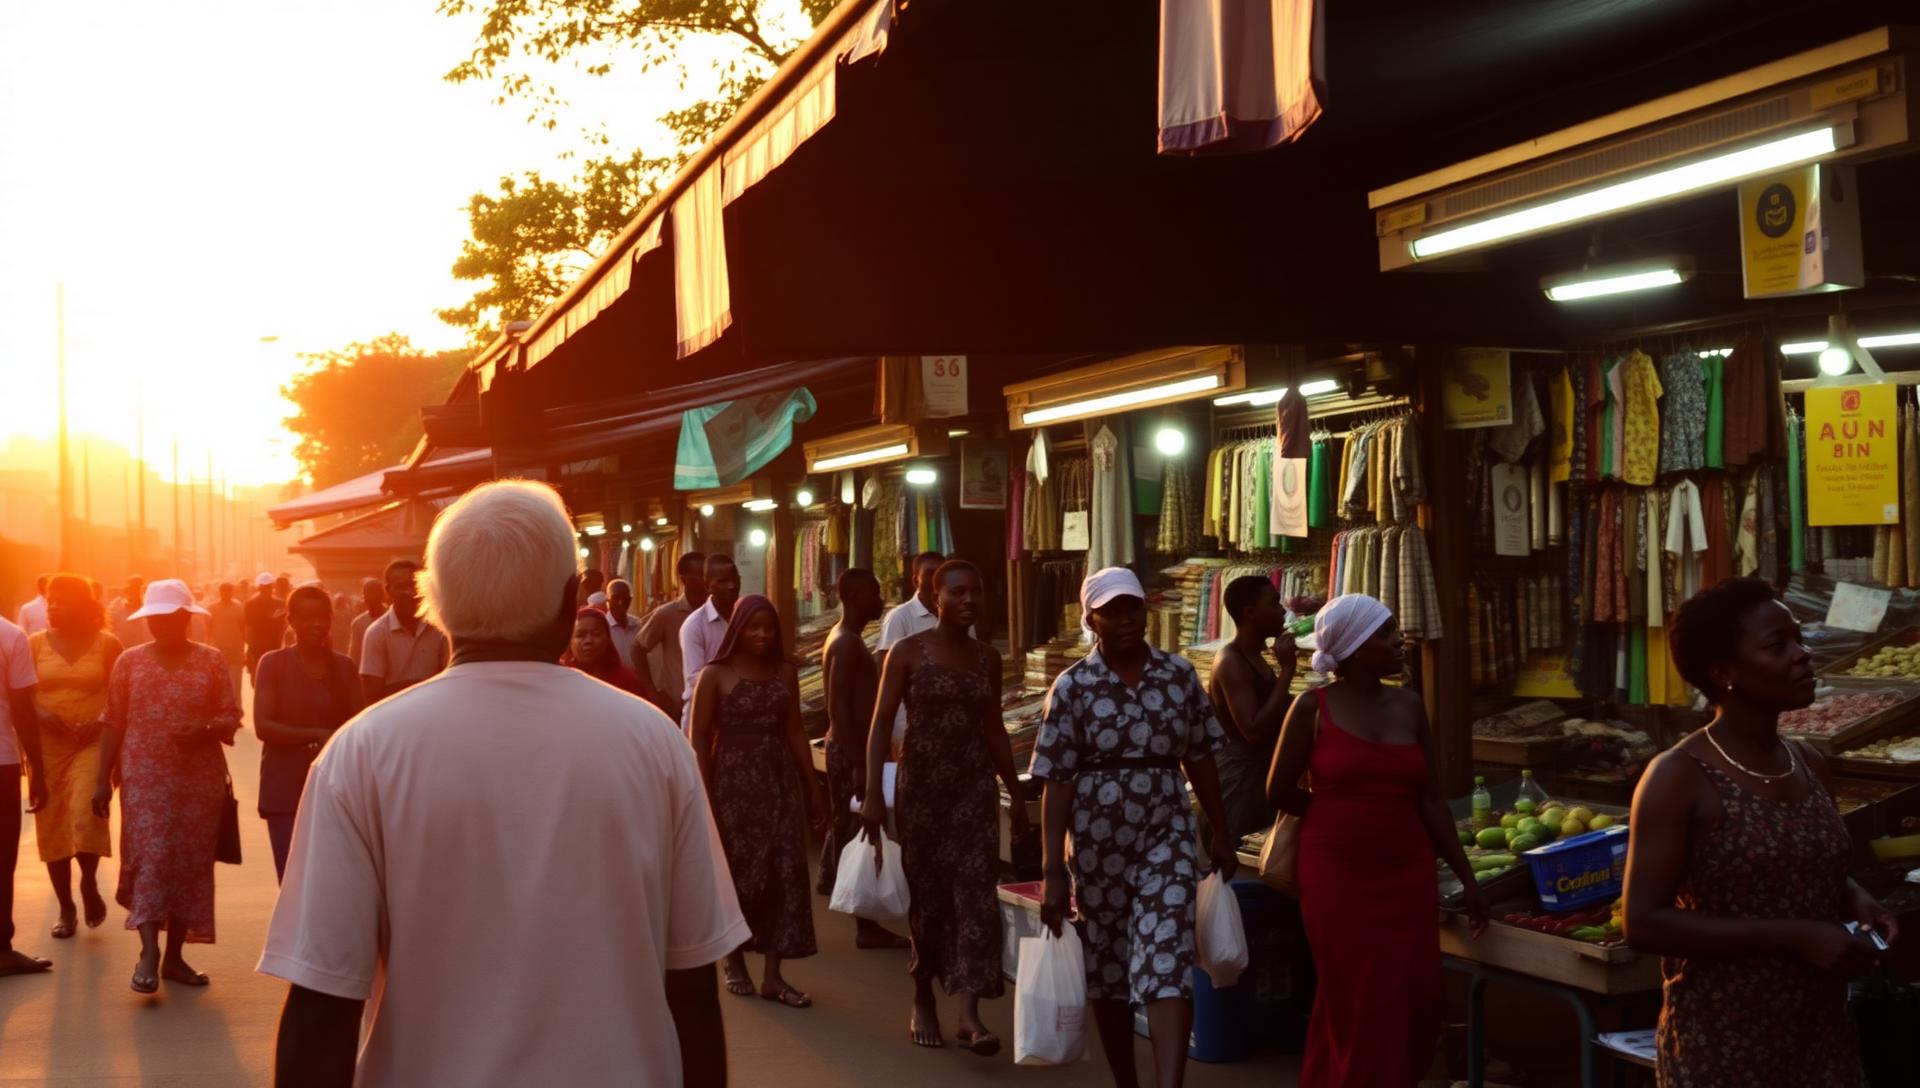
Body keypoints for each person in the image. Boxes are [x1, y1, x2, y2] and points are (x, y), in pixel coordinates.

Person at [260, 480, 745, 1087]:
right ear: (572, 602)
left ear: (435, 602)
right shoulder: (654, 744)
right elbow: (693, 989)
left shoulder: (361, 754)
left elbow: (321, 1007)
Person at [1624, 578, 1892, 1086]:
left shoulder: (1808, 759)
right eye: (1777, 645)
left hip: (1821, 1037)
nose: (1803, 655)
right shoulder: (1678, 776)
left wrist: (1855, 898)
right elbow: (1642, 924)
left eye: (1799, 638)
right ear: (1723, 672)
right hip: (1725, 1045)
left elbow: (1804, 863)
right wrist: (1792, 936)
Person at [1264, 593, 1488, 1086]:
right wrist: (1335, 813)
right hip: (1336, 874)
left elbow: (1430, 799)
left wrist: (1467, 880)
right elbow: (1277, 789)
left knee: (1417, 994)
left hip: (1406, 868)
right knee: (1361, 995)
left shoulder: (1409, 705)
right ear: (1354, 645)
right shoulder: (1310, 707)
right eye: (1386, 633)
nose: (1398, 640)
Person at [1031, 567, 1236, 1087]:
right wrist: (1052, 868)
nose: (1125, 619)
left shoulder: (1178, 675)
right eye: (1112, 610)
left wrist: (1220, 828)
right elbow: (1056, 781)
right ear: (1091, 619)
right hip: (1098, 846)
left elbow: (1201, 756)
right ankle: (1128, 1081)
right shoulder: (1073, 685)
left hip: (1166, 831)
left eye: (1133, 608)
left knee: (1167, 953)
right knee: (1110, 969)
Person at [863, 560, 1028, 1055]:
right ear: (936, 598)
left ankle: (970, 1013)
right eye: (957, 592)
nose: (968, 601)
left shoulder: (987, 658)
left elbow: (994, 727)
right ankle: (922, 995)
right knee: (929, 900)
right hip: (922, 792)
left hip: (972, 790)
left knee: (976, 897)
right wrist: (874, 792)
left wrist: (1016, 794)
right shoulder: (908, 652)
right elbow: (879, 724)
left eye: (976, 592)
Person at [91, 578, 241, 994]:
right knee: (153, 855)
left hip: (199, 779)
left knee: (190, 863)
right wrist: (102, 779)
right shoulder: (129, 662)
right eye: (155, 618)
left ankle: (174, 956)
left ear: (187, 617)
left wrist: (205, 727)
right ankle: (148, 951)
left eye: (171, 617)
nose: (161, 625)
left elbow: (230, 716)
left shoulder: (211, 661)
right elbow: (112, 720)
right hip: (144, 775)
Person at [689, 594, 824, 1009]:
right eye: (754, 627)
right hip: (732, 786)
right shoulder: (715, 674)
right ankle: (733, 960)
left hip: (778, 782)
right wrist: (704, 795)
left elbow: (796, 731)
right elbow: (697, 737)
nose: (762, 634)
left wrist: (813, 787)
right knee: (738, 875)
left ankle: (773, 975)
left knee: (784, 873)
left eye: (768, 627)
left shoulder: (786, 672)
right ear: (739, 630)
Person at [816, 568, 907, 950]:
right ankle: (865, 922)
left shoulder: (847, 639)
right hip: (849, 749)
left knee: (851, 827)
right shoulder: (847, 643)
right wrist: (858, 762)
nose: (880, 598)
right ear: (853, 597)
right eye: (873, 593)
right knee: (860, 829)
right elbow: (836, 705)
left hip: (851, 747)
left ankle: (859, 913)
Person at [29, 574, 122, 939]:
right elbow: (20, 694)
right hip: (47, 747)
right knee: (52, 822)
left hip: (91, 742)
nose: (52, 606)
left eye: (62, 600)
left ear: (83, 605)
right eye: (50, 599)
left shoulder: (107, 644)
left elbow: (118, 696)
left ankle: (88, 881)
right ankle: (66, 906)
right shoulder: (34, 644)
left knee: (86, 809)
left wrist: (100, 722)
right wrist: (41, 713)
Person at [253, 586, 361, 883]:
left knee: (332, 883)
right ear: (291, 621)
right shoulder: (273, 664)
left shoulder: (345, 668)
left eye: (323, 617)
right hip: (284, 789)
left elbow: (357, 727)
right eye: (307, 618)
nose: (317, 624)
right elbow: (263, 725)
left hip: (335, 789)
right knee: (291, 881)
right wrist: (316, 734)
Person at [1207, 575, 1297, 843]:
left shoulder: (1255, 657)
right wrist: (1288, 671)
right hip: (1240, 782)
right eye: (1274, 603)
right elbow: (1253, 730)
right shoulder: (1231, 661)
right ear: (1250, 613)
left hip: (1260, 777)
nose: (1282, 611)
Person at [876, 551, 974, 754]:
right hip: (908, 731)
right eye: (929, 573)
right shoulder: (900, 617)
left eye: (940, 572)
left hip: (959, 737)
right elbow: (884, 676)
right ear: (915, 580)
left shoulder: (963, 617)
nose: (935, 578)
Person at [1, 612, 51, 978]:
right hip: (1, 762)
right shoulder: (10, 636)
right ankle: (1, 949)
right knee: (2, 858)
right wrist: (37, 769)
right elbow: (22, 709)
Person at [357, 559, 449, 703]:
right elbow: (371, 694)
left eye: (414, 585)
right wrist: (419, 687)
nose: (409, 592)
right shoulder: (376, 633)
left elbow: (450, 678)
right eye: (401, 587)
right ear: (388, 592)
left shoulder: (440, 627)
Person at [635, 552, 707, 722]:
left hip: (713, 704)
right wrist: (653, 691)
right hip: (679, 706)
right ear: (684, 579)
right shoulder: (667, 614)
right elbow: (637, 648)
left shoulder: (717, 612)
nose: (706, 579)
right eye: (701, 574)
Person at [677, 553, 741, 734]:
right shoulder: (694, 625)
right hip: (704, 719)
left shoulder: (744, 617)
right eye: (722, 581)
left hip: (738, 720)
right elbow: (695, 678)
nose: (732, 586)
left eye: (735, 580)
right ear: (707, 586)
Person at [563, 606, 647, 696]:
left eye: (596, 634)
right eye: (580, 635)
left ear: (608, 639)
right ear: (570, 642)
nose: (588, 641)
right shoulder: (561, 680)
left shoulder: (627, 682)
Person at [207, 582, 248, 698]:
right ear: (219, 592)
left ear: (232, 592)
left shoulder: (238, 607)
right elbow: (208, 630)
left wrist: (244, 650)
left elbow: (243, 629)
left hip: (235, 652)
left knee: (236, 686)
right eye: (223, 591)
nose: (226, 593)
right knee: (219, 686)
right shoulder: (212, 608)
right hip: (218, 652)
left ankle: (237, 711)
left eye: (228, 591)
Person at [245, 572, 285, 681]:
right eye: (265, 588)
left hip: (272, 647)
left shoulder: (279, 604)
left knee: (270, 679)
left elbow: (283, 628)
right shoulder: (251, 605)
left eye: (268, 588)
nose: (266, 591)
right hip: (260, 648)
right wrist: (250, 650)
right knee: (261, 679)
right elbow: (249, 628)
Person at [345, 577, 387, 665]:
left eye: (374, 592)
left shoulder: (393, 618)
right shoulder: (358, 623)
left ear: (382, 595)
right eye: (368, 593)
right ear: (364, 597)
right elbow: (354, 655)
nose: (371, 597)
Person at [604, 579, 640, 668]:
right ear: (607, 600)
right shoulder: (602, 626)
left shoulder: (638, 625)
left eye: (625, 598)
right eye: (616, 598)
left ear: (630, 600)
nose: (620, 602)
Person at [108, 577, 149, 649]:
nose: (134, 593)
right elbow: (110, 629)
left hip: (144, 652)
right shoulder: (117, 606)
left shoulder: (149, 610)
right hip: (123, 651)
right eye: (131, 590)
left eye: (137, 590)